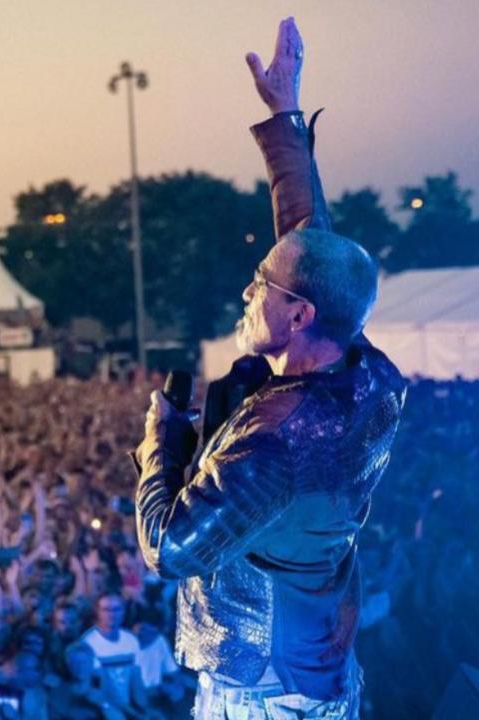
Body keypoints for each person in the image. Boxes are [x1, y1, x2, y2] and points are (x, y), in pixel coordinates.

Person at [134, 16, 406, 720]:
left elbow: (168, 549)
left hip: (261, 687)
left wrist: (160, 444)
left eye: (261, 286)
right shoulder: (363, 369)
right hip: (315, 659)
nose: (247, 294)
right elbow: (306, 245)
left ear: (299, 317)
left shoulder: (277, 439)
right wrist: (284, 114)